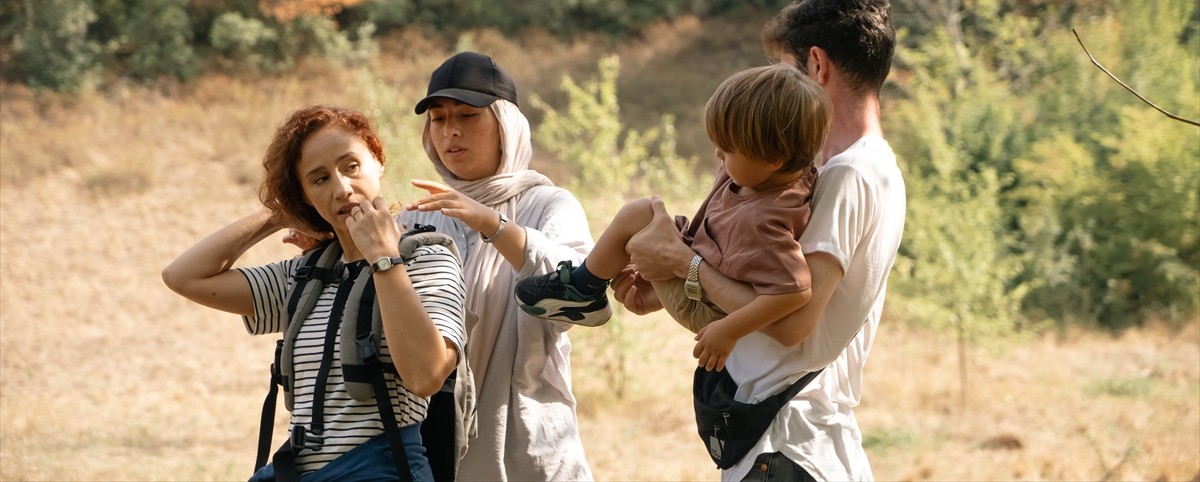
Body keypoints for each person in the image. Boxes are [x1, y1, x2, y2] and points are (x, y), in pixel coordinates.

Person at [612, 0, 906, 482]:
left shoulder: (846, 175)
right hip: (799, 441)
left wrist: (685, 265)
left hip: (789, 443)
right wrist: (672, 286)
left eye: (785, 72)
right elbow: (769, 281)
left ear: (817, 65)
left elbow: (793, 322)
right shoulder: (870, 168)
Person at [162, 105, 467, 482]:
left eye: (351, 166)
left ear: (378, 160)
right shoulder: (307, 273)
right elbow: (183, 277)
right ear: (304, 194)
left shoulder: (426, 258)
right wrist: (279, 213)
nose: (341, 188)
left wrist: (384, 259)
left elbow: (426, 377)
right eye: (319, 179)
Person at [515, 63, 831, 375]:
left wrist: (729, 330)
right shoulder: (773, 176)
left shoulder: (766, 220)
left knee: (640, 216)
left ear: (774, 160)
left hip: (708, 309)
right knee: (644, 214)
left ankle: (583, 289)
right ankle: (588, 284)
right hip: (703, 270)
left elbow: (794, 292)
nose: (718, 156)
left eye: (727, 149)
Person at [401, 51, 594, 482]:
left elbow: (580, 293)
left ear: (506, 126)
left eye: (468, 115)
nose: (451, 130)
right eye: (438, 118)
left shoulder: (548, 204)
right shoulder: (419, 215)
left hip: (528, 441)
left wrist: (491, 223)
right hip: (433, 445)